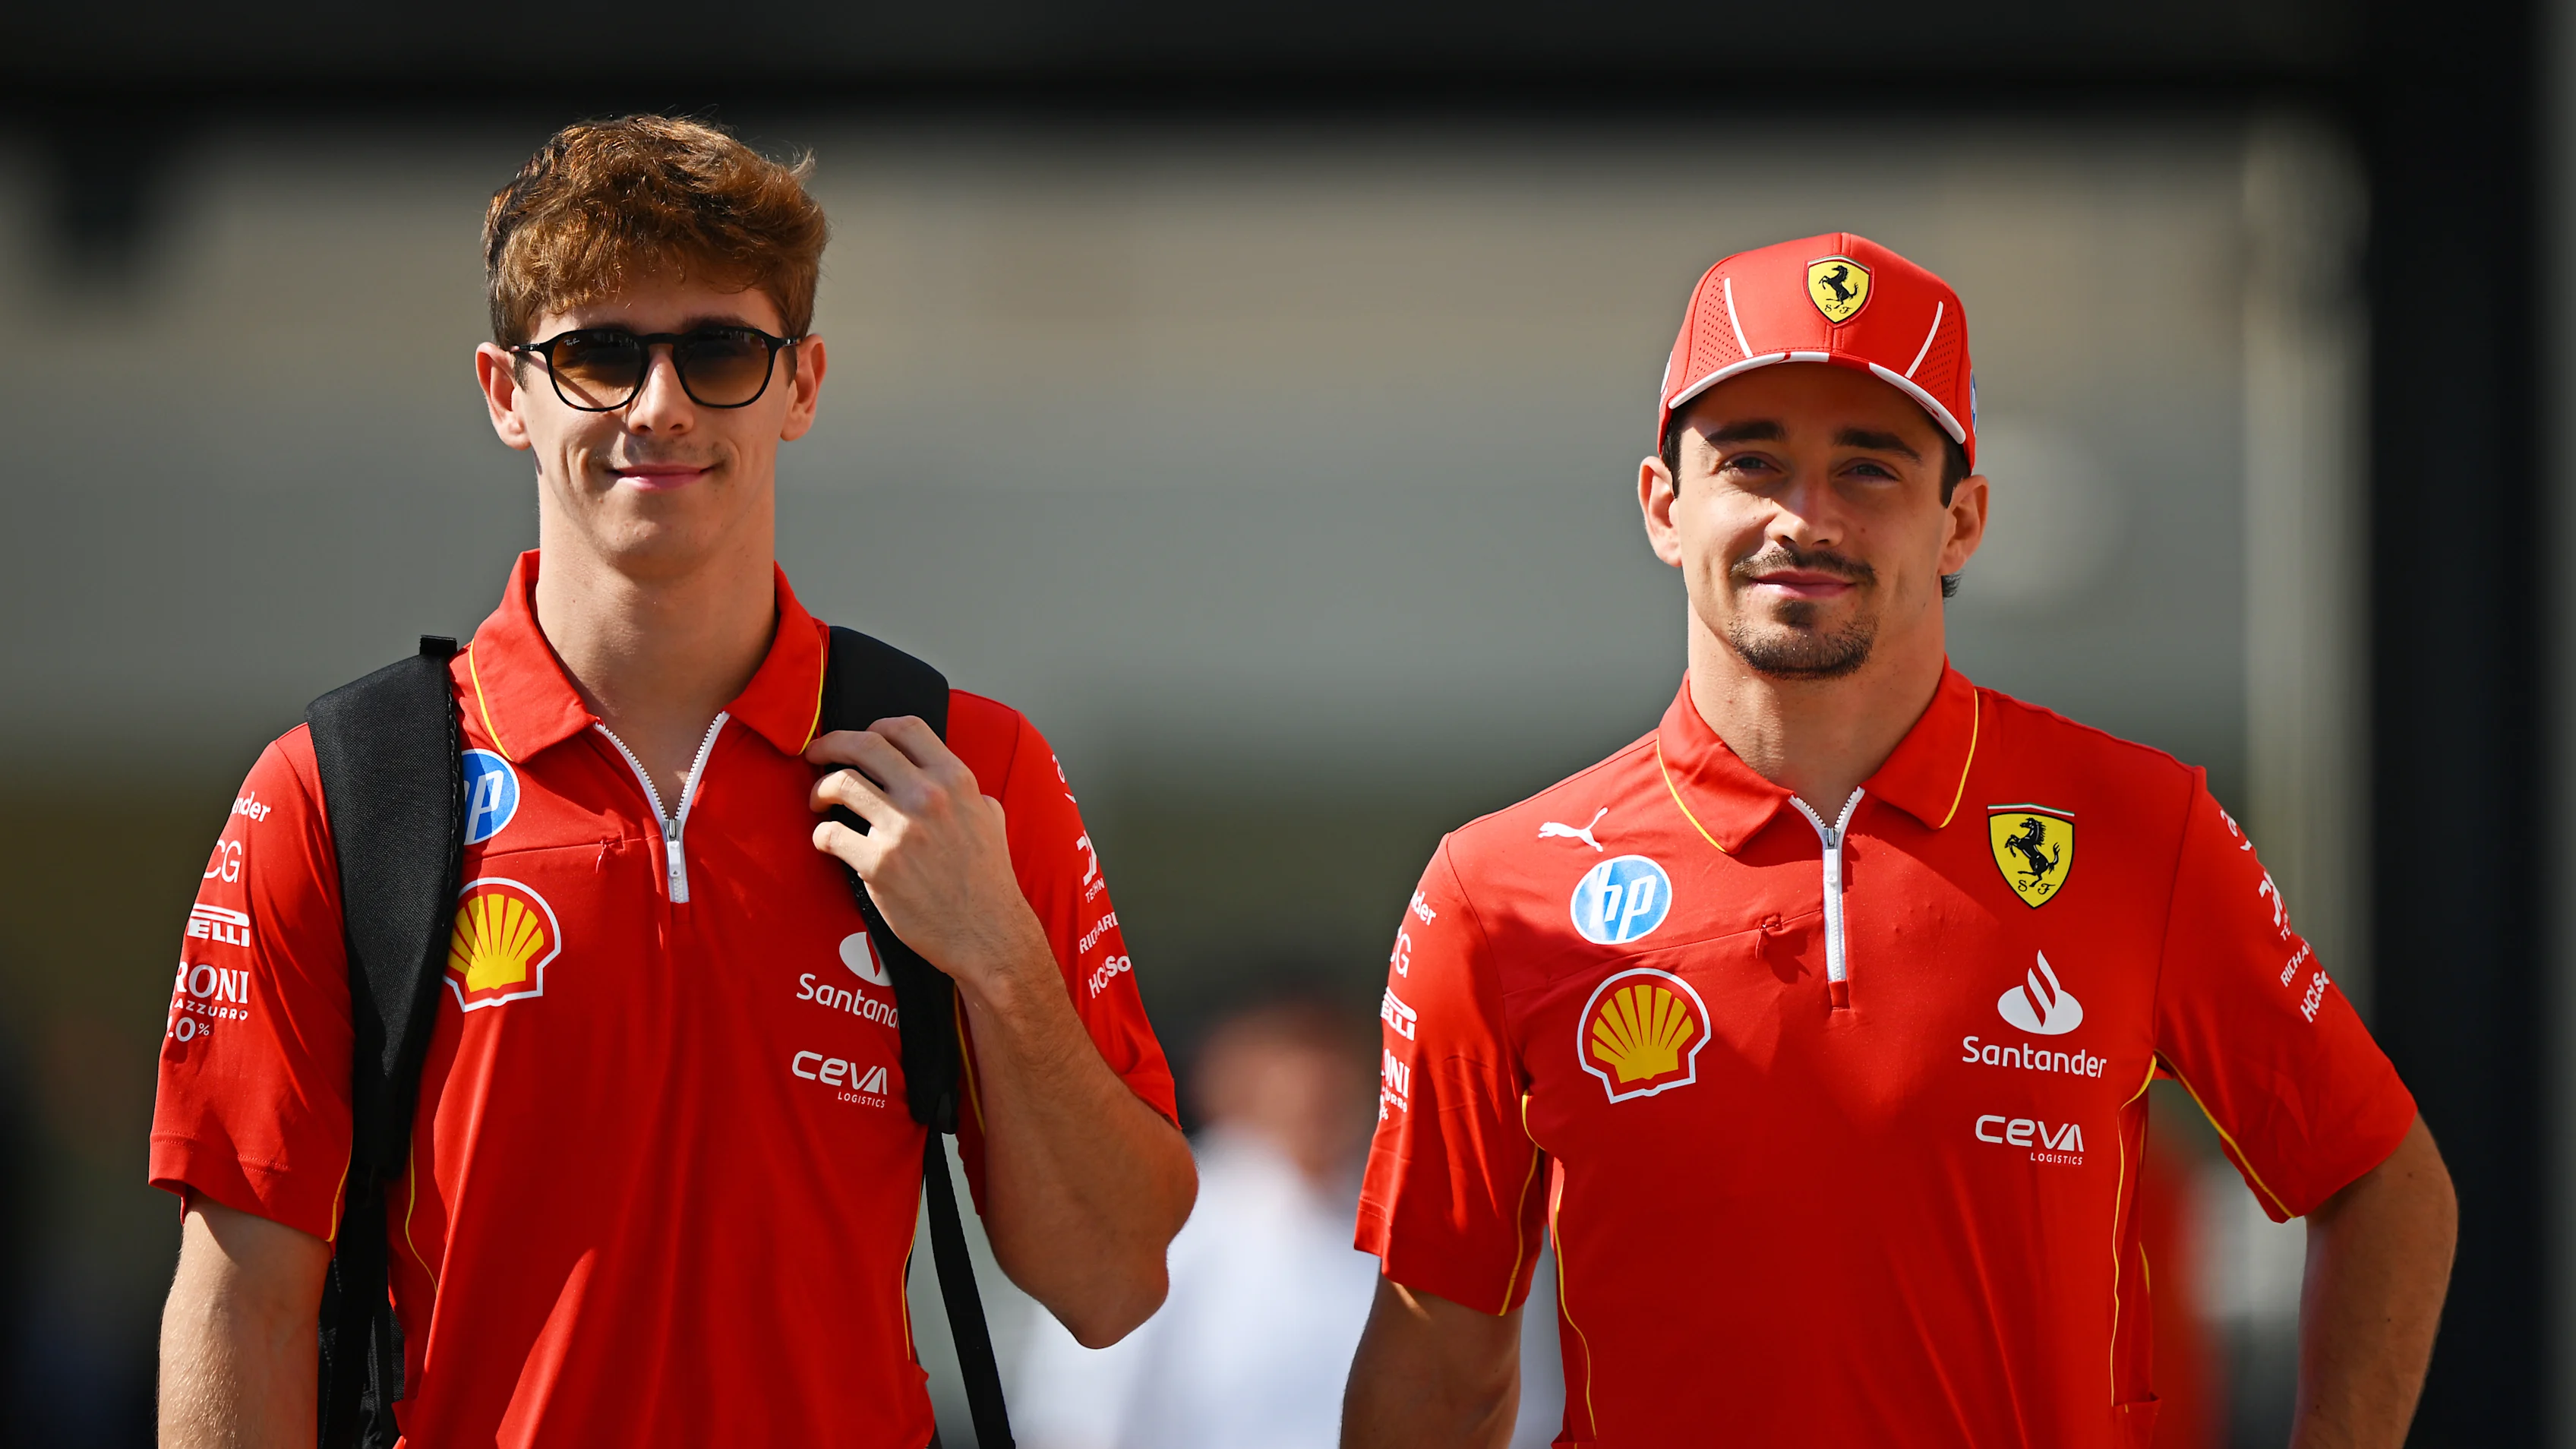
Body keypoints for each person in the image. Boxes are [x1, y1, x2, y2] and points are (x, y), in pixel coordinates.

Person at [148, 115, 1195, 1448]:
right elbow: (240, 1306)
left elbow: (1114, 1281)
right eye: (594, 354)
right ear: (503, 391)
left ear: (801, 383)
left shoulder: (965, 771)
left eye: (717, 352)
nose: (660, 407)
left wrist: (998, 955)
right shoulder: (343, 794)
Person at [1340, 233, 2456, 1449]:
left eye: (1868, 469)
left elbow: (2383, 1182)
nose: (1803, 519)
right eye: (1751, 462)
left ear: (1961, 522)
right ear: (1666, 507)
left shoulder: (2143, 828)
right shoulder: (1496, 888)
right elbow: (1437, 1367)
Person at [1014, 996, 1380, 1449]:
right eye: (1296, 1061)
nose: (1320, 1087)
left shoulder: (1395, 1223)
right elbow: (1078, 1415)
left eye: (1334, 1061)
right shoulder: (1173, 1218)